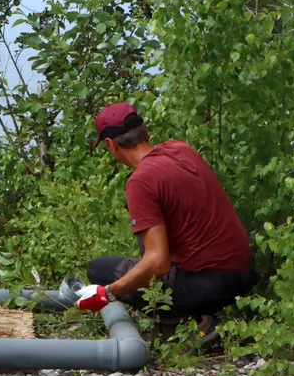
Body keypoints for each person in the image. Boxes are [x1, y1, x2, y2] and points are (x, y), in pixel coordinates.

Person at [76, 103, 254, 333]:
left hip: (210, 286)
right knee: (147, 253)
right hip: (244, 274)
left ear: (110, 144)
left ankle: (190, 326)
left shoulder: (141, 181)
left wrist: (107, 293)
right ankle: (200, 315)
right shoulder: (181, 149)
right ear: (145, 128)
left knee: (99, 270)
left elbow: (159, 263)